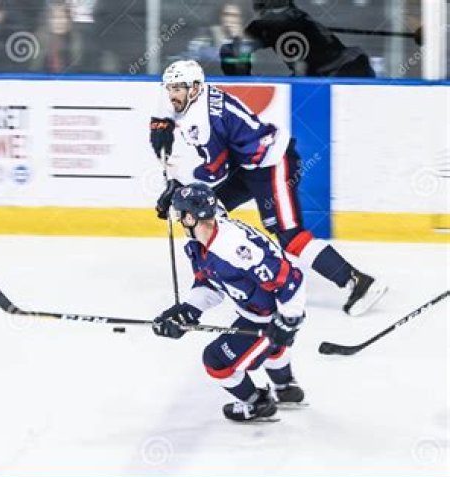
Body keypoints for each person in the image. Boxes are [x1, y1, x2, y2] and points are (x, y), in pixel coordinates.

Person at [149, 59, 386, 316]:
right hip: (246, 165)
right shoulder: (192, 96)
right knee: (203, 212)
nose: (172, 94)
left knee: (289, 236)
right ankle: (212, 278)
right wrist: (161, 124)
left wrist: (180, 189)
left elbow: (216, 170)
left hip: (273, 164)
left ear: (194, 88)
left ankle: (358, 281)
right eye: (170, 88)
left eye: (177, 89)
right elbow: (167, 107)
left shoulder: (201, 121)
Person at [153, 183, 305, 422]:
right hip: (256, 311)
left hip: (270, 315)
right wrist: (187, 311)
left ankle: (257, 404)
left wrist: (289, 320)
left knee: (216, 360)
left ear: (191, 218)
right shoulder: (203, 238)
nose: (179, 220)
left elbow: (290, 280)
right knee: (271, 347)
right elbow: (210, 284)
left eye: (181, 215)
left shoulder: (233, 248)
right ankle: (286, 389)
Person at [221, 0, 375, 77]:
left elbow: (234, 52)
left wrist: (242, 82)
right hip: (355, 68)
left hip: (343, 74)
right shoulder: (294, 16)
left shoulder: (268, 22)